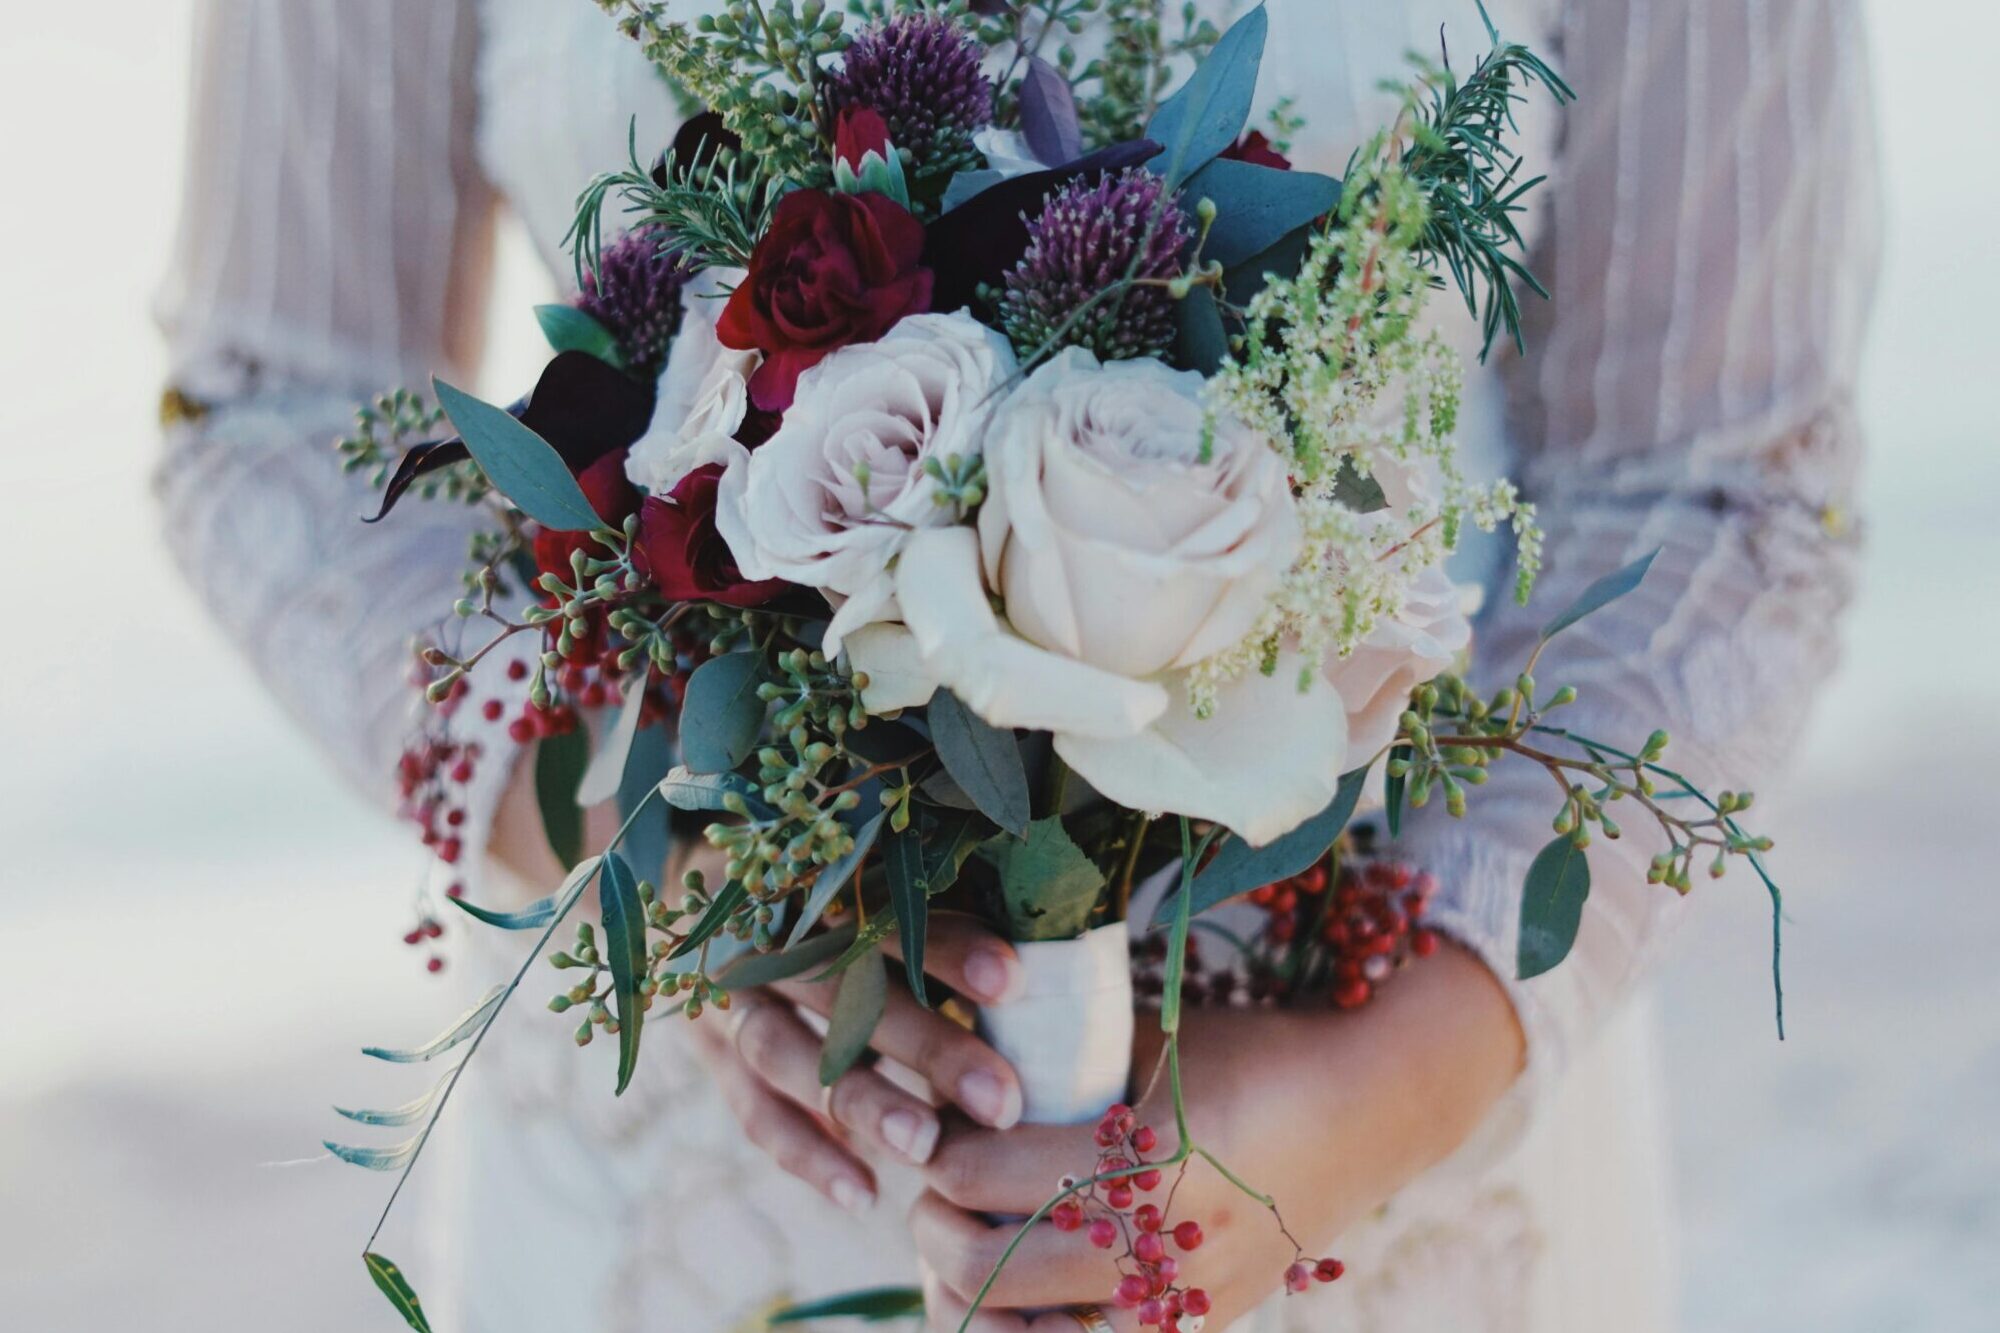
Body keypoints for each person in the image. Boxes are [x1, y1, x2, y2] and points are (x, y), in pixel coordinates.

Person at [156, 2, 1877, 1329]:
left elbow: (1715, 491)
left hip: (1384, 1149)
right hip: (699, 1172)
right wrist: (654, 852)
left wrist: (1380, 1079)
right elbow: (277, 409)